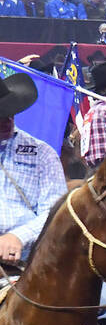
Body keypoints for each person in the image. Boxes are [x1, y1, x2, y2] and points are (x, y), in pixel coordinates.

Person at [0, 71, 67, 266]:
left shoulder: (42, 154)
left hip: (29, 260)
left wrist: (18, 236)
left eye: (10, 113)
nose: (8, 121)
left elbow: (55, 211)